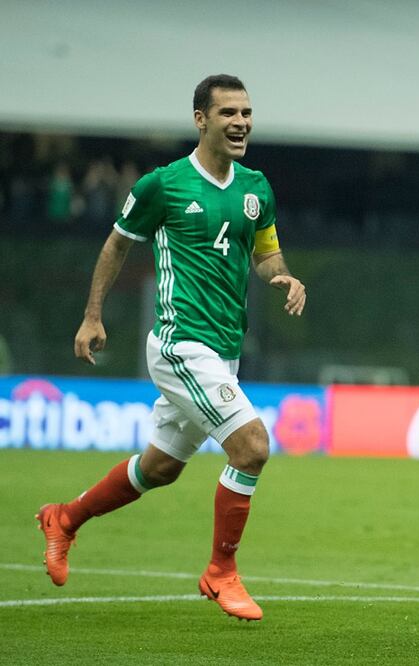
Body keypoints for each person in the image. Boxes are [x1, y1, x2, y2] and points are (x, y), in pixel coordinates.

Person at [36, 74, 306, 622]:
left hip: (224, 350)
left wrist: (285, 277)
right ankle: (220, 572)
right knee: (252, 447)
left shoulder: (257, 189)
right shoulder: (164, 184)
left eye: (247, 113)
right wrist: (92, 315)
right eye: (228, 112)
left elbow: (266, 254)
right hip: (181, 344)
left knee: (159, 468)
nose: (241, 122)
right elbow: (117, 243)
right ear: (200, 120)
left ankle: (64, 518)